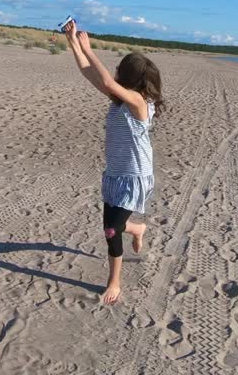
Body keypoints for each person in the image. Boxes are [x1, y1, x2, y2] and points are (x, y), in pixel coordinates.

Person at [63, 21, 164, 304]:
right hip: (116, 174)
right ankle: (137, 228)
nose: (115, 72)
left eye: (120, 69)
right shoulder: (119, 99)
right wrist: (73, 42)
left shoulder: (137, 102)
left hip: (134, 175)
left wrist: (89, 48)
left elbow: (107, 81)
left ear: (129, 78)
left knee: (109, 229)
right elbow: (88, 73)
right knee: (114, 225)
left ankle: (114, 283)